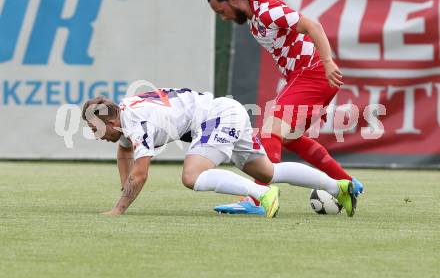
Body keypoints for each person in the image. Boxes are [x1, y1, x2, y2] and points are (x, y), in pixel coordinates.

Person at [206, 0, 364, 215]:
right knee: (290, 138)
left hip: (313, 73)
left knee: (269, 132)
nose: (223, 17)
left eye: (221, 10)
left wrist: (327, 62)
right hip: (307, 76)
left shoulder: (267, 10)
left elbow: (313, 26)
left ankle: (257, 200)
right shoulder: (254, 18)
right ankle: (348, 184)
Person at [81, 88, 357, 217]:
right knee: (267, 171)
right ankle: (339, 187)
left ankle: (261, 194)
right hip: (226, 110)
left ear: (111, 122)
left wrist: (118, 209)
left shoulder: (136, 122)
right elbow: (124, 154)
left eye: (96, 129)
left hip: (217, 116)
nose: (95, 136)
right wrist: (123, 191)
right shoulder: (125, 111)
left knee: (191, 176)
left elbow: (140, 175)